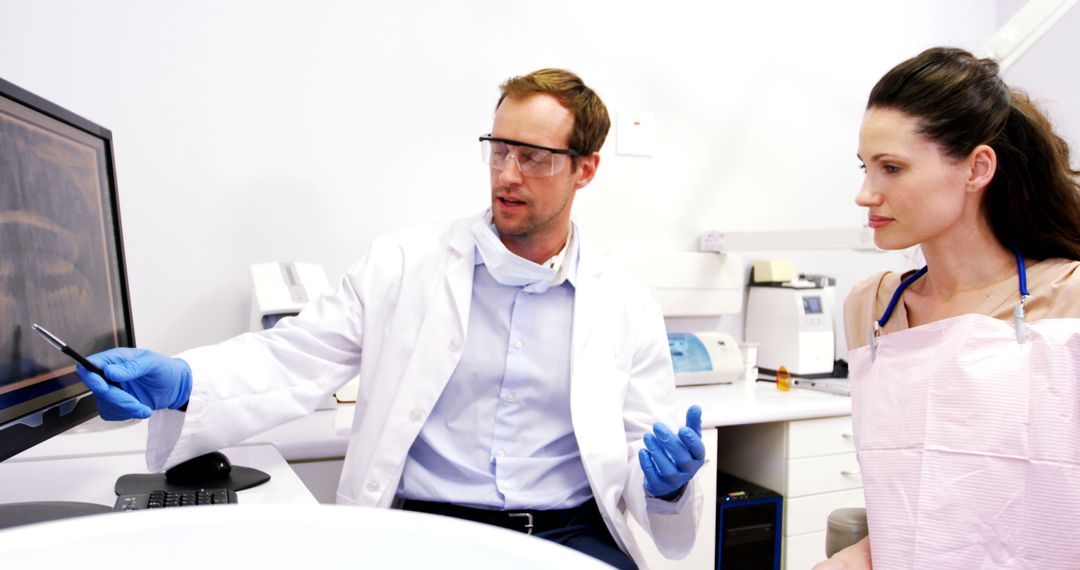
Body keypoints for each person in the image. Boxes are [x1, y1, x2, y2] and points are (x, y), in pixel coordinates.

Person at [77, 68, 704, 569]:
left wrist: (667, 484)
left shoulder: (625, 307)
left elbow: (638, 455)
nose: (507, 175)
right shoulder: (404, 265)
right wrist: (183, 379)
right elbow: (291, 356)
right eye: (499, 150)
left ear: (584, 169)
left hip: (568, 536)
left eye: (534, 157)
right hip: (427, 532)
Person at [815, 47, 1080, 569]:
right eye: (866, 168)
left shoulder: (1068, 299)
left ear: (977, 168)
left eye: (891, 168)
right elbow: (919, 505)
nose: (866, 194)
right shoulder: (871, 308)